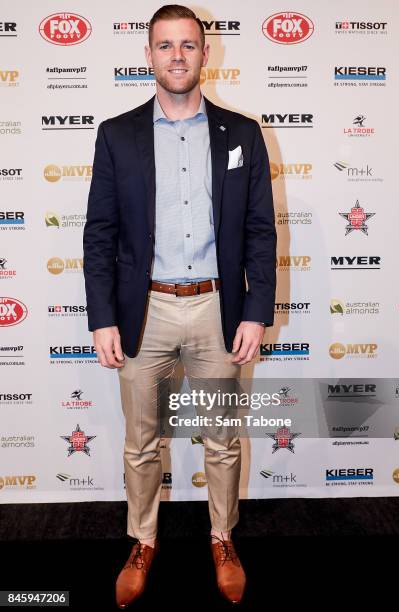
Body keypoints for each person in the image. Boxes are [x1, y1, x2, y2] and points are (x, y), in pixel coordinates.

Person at [83, 4, 276, 608]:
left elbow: (260, 230)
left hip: (218, 310)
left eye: (187, 45)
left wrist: (254, 309)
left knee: (221, 437)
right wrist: (102, 317)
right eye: (165, 46)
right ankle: (143, 541)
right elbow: (100, 233)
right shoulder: (117, 133)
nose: (176, 56)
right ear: (148, 55)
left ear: (205, 53)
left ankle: (222, 537)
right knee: (143, 442)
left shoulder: (242, 133)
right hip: (147, 314)